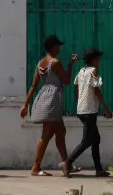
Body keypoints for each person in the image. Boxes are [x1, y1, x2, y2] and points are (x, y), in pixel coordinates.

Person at [21, 34, 78, 177]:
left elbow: (33, 86)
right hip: (53, 100)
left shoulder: (40, 63)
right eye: (58, 45)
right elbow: (66, 80)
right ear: (53, 47)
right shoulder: (56, 62)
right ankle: (36, 167)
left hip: (43, 98)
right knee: (47, 134)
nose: (59, 47)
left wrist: (26, 105)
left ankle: (66, 165)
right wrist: (70, 66)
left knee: (60, 132)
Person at [65, 47, 112, 177]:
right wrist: (106, 109)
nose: (99, 61)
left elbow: (76, 88)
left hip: (81, 110)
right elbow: (97, 91)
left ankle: (99, 169)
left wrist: (79, 103)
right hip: (89, 111)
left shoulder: (81, 71)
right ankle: (68, 162)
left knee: (95, 139)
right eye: (98, 58)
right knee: (86, 141)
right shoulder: (94, 71)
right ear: (93, 59)